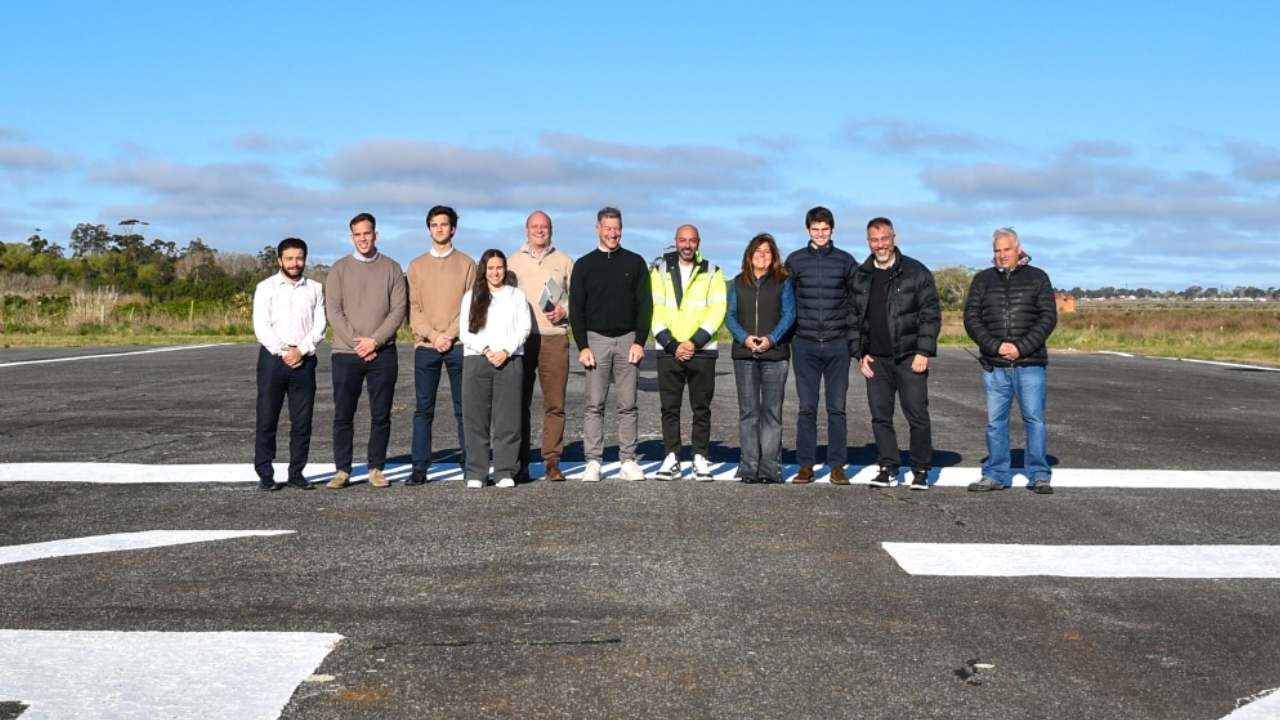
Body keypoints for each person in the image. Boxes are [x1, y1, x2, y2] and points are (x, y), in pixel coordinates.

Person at [964, 227, 1058, 494]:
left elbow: (1047, 318)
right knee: (996, 422)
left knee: (1034, 420)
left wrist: (1020, 347)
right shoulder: (982, 280)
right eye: (997, 251)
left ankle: (1039, 474)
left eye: (1006, 249)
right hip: (995, 366)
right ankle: (995, 474)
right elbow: (972, 319)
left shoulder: (1038, 277)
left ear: (1018, 249)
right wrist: (995, 346)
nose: (1002, 255)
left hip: (1030, 364)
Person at [850, 218, 941, 490]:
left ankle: (921, 469)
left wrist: (924, 350)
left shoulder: (916, 272)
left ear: (894, 238)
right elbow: (852, 316)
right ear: (869, 242)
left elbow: (930, 313)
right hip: (876, 359)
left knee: (917, 416)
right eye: (875, 240)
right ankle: (888, 467)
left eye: (885, 239)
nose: (880, 245)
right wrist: (859, 353)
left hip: (910, 356)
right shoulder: (861, 275)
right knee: (880, 416)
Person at [568, 207, 653, 482]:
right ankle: (593, 461)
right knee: (594, 404)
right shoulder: (584, 264)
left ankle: (627, 460)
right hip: (596, 340)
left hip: (628, 339)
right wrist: (582, 345)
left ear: (621, 229)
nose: (612, 233)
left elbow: (645, 306)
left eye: (616, 228)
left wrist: (640, 341)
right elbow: (576, 308)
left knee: (628, 404)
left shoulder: (635, 262)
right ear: (598, 229)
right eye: (607, 228)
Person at [324, 212, 408, 489]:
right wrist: (357, 343)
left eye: (367, 233)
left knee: (380, 413)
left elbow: (398, 310)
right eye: (357, 234)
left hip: (383, 353)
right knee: (343, 414)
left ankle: (376, 468)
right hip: (346, 354)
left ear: (376, 234)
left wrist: (375, 342)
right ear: (351, 237)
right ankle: (342, 470)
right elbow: (333, 310)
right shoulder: (339, 269)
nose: (363, 238)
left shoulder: (393, 268)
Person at [784, 206, 858, 484]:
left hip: (838, 344)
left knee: (837, 407)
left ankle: (837, 465)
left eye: (825, 229)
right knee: (807, 407)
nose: (820, 234)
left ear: (832, 230)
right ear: (807, 231)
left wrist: (853, 339)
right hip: (804, 345)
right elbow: (786, 301)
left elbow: (855, 301)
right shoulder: (795, 261)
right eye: (815, 230)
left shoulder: (845, 261)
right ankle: (806, 465)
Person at [649, 224, 727, 481]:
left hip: (702, 351)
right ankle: (671, 456)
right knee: (669, 407)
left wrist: (694, 342)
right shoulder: (659, 272)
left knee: (701, 407)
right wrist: (672, 345)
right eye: (683, 240)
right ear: (675, 241)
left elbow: (717, 311)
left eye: (692, 241)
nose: (687, 245)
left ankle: (700, 457)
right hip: (668, 350)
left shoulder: (713, 272)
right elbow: (654, 309)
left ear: (698, 243)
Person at [405, 205, 476, 485]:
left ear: (453, 229)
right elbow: (413, 307)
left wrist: (449, 334)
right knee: (424, 409)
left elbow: (471, 306)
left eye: (444, 224)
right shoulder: (417, 265)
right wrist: (434, 336)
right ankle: (420, 467)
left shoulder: (467, 264)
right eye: (434, 224)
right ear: (429, 228)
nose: (439, 229)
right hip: (426, 347)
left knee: (464, 408)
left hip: (459, 345)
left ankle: (470, 464)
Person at [251, 238, 326, 491]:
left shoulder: (315, 288)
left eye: (300, 258)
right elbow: (261, 326)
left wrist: (301, 350)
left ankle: (297, 472)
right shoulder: (266, 287)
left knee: (302, 421)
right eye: (290, 258)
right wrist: (284, 352)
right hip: (273, 360)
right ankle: (265, 474)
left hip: (304, 361)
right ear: (279, 260)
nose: (295, 263)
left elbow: (320, 325)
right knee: (267, 418)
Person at [725, 233, 795, 484]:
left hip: (775, 355)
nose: (762, 256)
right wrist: (745, 338)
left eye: (767, 252)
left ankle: (770, 469)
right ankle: (748, 468)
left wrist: (771, 339)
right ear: (749, 255)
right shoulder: (737, 283)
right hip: (744, 354)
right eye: (757, 251)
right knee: (749, 413)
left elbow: (789, 315)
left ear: (774, 256)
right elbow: (730, 316)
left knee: (772, 414)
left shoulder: (783, 282)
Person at [508, 211, 573, 482]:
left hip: (554, 337)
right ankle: (520, 461)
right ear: (526, 230)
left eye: (544, 226)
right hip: (521, 340)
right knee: (518, 402)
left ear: (551, 230)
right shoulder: (512, 261)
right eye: (534, 226)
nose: (539, 230)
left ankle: (552, 461)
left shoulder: (564, 261)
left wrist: (564, 311)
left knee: (554, 403)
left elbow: (576, 299)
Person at [459, 249, 531, 489]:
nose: (495, 272)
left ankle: (504, 471)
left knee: (508, 419)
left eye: (499, 267)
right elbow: (465, 332)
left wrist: (506, 351)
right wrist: (488, 350)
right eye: (490, 268)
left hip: (509, 361)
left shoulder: (516, 296)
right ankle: (476, 472)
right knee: (475, 419)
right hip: (478, 360)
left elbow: (524, 328)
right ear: (484, 270)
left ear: (505, 269)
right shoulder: (472, 296)